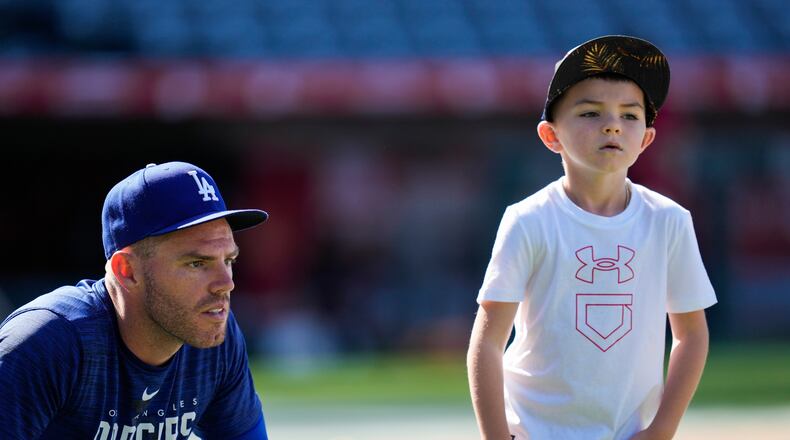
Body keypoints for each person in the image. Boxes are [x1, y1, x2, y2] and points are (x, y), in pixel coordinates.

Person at [467, 35, 717, 440]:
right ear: (551, 136)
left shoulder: (670, 221)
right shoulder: (528, 220)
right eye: (590, 112)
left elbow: (691, 335)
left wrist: (661, 431)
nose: (613, 124)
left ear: (647, 139)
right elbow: (488, 343)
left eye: (630, 115)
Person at [0, 161, 270, 439]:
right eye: (197, 263)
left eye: (229, 260)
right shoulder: (47, 343)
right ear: (126, 271)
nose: (226, 284)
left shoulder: (212, 336)